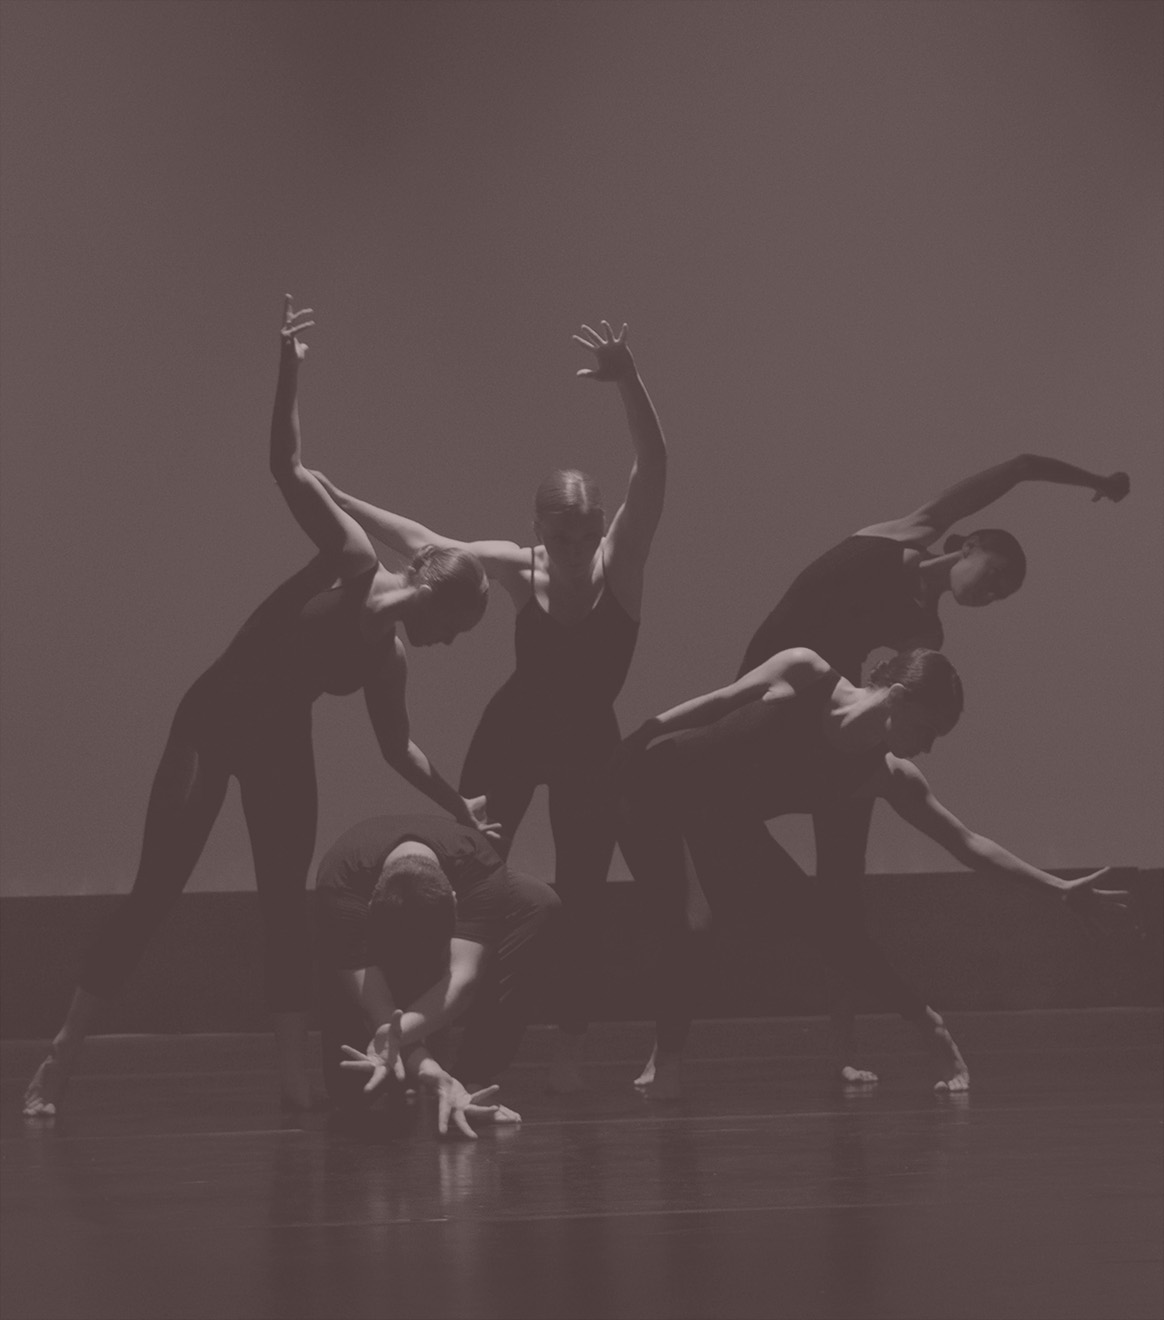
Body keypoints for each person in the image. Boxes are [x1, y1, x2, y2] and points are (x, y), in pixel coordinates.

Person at [22, 299, 491, 1119]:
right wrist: (288, 372)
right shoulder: (348, 557)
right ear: (425, 585)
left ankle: (291, 1079)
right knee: (156, 891)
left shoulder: (388, 658)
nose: (447, 644)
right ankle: (60, 1057)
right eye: (452, 628)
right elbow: (286, 465)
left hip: (280, 741)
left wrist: (457, 805)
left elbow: (398, 749)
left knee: (285, 906)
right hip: (211, 721)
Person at [314, 320, 667, 1091]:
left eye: (585, 536)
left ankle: (569, 1039)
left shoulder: (623, 566)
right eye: (560, 538)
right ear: (538, 531)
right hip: (511, 733)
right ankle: (432, 1028)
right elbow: (428, 545)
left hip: (585, 748)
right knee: (468, 875)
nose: (574, 553)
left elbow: (654, 468)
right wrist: (341, 499)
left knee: (578, 896)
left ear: (601, 530)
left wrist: (628, 379)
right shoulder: (520, 568)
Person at [733, 454, 1130, 1071]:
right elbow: (1019, 467)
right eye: (996, 575)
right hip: (764, 691)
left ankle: (843, 1049)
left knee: (843, 890)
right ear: (967, 543)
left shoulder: (927, 635)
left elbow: (893, 695)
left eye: (1001, 596)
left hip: (824, 722)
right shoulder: (907, 533)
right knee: (707, 818)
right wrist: (1096, 482)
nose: (992, 594)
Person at [617, 646, 1127, 1099]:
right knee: (691, 926)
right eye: (928, 730)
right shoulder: (805, 671)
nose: (927, 746)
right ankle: (668, 1063)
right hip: (652, 791)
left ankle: (929, 1026)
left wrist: (1059, 888)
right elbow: (718, 703)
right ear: (899, 697)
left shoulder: (885, 776)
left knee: (825, 927)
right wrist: (639, 736)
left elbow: (967, 844)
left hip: (721, 821)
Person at [315, 814, 560, 1137]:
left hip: (462, 889)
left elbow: (462, 983)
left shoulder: (478, 868)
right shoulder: (341, 887)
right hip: (361, 925)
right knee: (353, 1091)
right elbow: (378, 1008)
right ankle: (404, 1072)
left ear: (456, 903)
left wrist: (451, 1078)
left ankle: (476, 1074)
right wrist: (432, 1072)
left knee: (538, 902)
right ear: (371, 904)